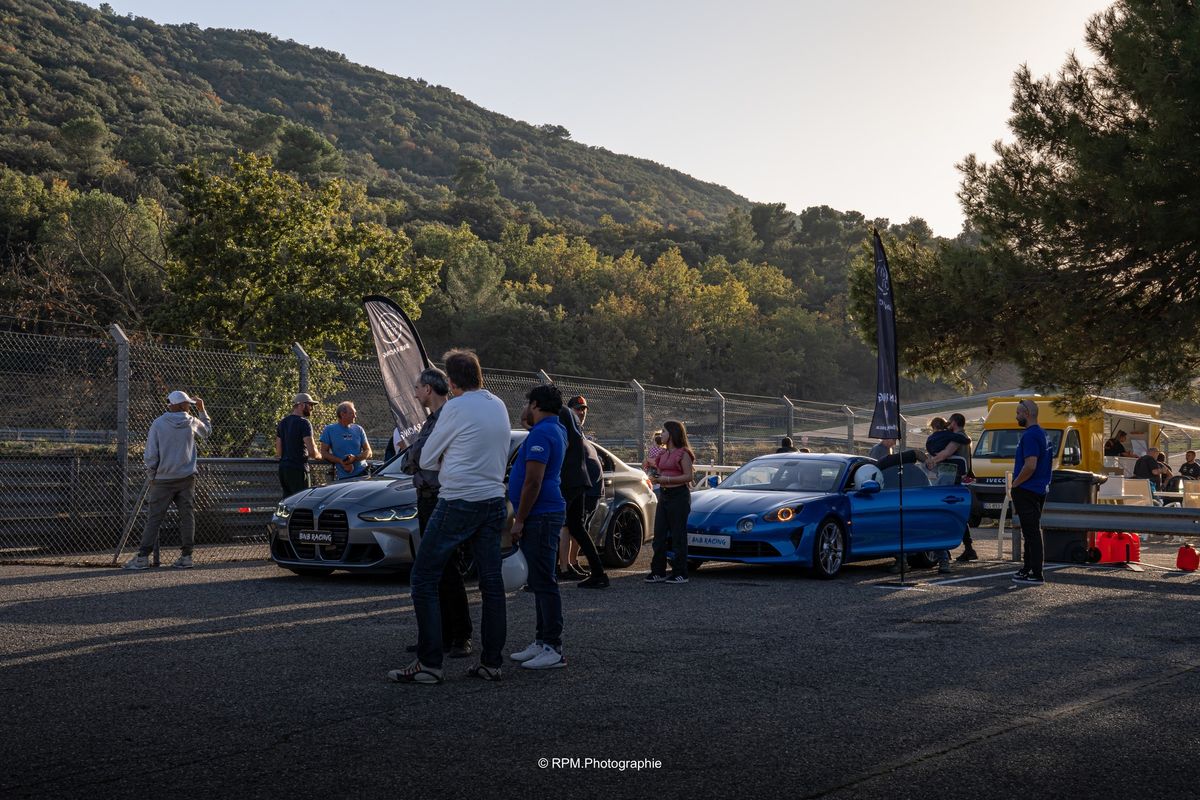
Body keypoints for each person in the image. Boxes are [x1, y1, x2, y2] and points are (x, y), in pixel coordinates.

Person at [389, 350, 510, 685]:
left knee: (424, 577)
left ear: (452, 382)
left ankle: (429, 664)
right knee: (491, 584)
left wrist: (449, 456)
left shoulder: (455, 407)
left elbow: (426, 457)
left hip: (458, 500)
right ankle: (491, 663)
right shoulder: (497, 404)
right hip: (493, 501)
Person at [400, 367, 473, 660]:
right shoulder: (434, 420)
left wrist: (414, 456)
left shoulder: (448, 417)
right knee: (435, 570)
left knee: (446, 568)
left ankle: (461, 636)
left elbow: (419, 456)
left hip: (442, 497)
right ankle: (439, 636)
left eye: (417, 388)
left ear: (429, 389)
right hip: (428, 498)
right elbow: (413, 459)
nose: (415, 393)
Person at [508, 385, 569, 671]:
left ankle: (553, 647)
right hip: (545, 512)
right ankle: (541, 640)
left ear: (535, 404)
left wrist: (519, 519)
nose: (525, 411)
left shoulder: (543, 433)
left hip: (541, 514)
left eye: (528, 404)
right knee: (539, 580)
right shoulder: (553, 428)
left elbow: (533, 481)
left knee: (544, 580)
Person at [124, 390, 212, 570]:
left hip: (163, 478)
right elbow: (207, 432)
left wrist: (152, 474)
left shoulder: (159, 423)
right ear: (183, 405)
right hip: (187, 477)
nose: (189, 406)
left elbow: (151, 453)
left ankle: (142, 557)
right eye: (188, 403)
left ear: (171, 405)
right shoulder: (191, 422)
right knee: (187, 516)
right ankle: (186, 556)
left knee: (154, 518)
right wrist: (202, 411)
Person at [558, 400, 609, 589]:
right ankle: (570, 567)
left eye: (584, 409)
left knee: (571, 527)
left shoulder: (572, 433)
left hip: (577, 487)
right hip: (578, 486)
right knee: (574, 527)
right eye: (578, 409)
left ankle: (568, 566)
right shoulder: (570, 433)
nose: (581, 412)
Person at [646, 420, 695, 584]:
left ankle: (681, 572)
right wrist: (654, 475)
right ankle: (657, 571)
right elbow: (656, 470)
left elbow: (689, 476)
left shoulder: (683, 453)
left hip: (679, 495)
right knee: (659, 534)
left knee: (678, 535)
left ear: (673, 434)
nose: (661, 435)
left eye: (664, 432)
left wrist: (667, 478)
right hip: (665, 494)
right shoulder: (662, 453)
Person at [1011, 399, 1052, 585]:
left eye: (1018, 413)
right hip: (1039, 489)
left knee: (1032, 533)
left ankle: (1036, 573)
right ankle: (1027, 568)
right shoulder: (1043, 434)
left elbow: (1030, 465)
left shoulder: (1030, 436)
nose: (1016, 416)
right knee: (1030, 532)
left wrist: (1015, 484)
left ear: (1026, 414)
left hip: (1027, 489)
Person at [276, 393, 319, 497]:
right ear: (302, 405)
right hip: (298, 469)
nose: (311, 408)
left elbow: (279, 452)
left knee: (287, 502)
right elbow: (312, 452)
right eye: (310, 405)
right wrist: (320, 455)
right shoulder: (304, 423)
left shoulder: (282, 422)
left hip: (283, 469)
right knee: (301, 501)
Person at [319, 401, 372, 481]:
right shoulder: (329, 430)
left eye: (355, 413)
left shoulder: (359, 429)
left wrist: (355, 458)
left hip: (363, 473)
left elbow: (369, 452)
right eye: (352, 413)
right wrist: (340, 461)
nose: (355, 416)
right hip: (343, 476)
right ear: (342, 414)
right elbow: (324, 453)